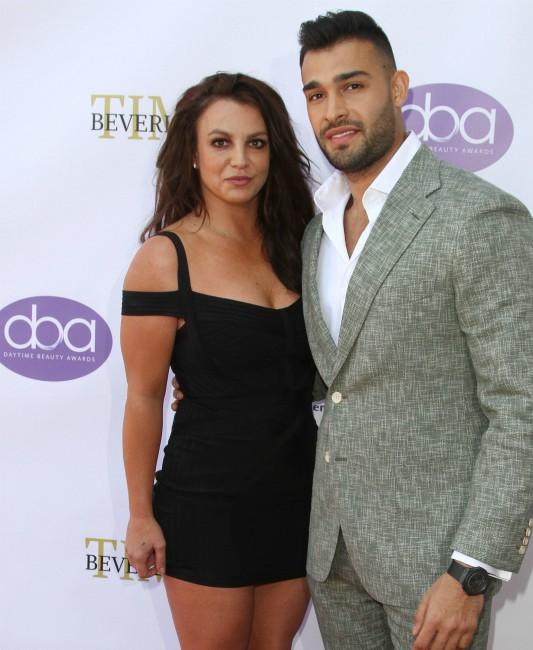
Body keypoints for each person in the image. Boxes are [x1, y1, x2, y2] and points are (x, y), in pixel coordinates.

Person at [297, 10, 533, 650]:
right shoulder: (316, 230)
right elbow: (339, 376)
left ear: (397, 87)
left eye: (353, 85)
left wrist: (471, 571)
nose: (334, 110)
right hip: (334, 557)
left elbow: (520, 409)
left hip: (434, 565)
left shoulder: (479, 217)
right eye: (316, 94)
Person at [120, 72, 317, 650]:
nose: (240, 160)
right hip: (206, 503)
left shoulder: (303, 246)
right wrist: (140, 514)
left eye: (256, 143)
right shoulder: (164, 259)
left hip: (298, 497)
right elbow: (144, 397)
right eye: (220, 142)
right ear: (193, 152)